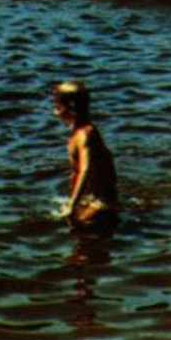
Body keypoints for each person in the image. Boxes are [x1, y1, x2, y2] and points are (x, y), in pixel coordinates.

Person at [53, 81, 119, 229]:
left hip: (102, 201)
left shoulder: (85, 134)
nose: (54, 106)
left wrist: (72, 204)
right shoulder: (78, 132)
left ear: (70, 106)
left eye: (57, 102)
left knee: (79, 226)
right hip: (89, 197)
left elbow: (85, 169)